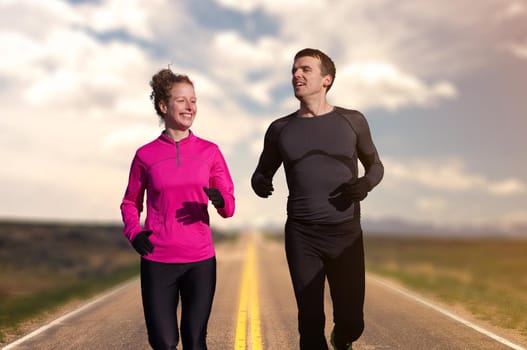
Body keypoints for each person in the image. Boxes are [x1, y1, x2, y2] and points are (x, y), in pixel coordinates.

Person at [251, 48, 383, 350]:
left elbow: (376, 165)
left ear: (327, 79)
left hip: (345, 232)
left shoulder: (353, 121)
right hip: (302, 234)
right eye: (294, 70)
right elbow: (261, 172)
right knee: (310, 323)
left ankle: (343, 338)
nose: (297, 74)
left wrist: (365, 184)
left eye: (305, 69)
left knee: (352, 321)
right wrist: (260, 182)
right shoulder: (280, 129)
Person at [120, 68, 235, 350]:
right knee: (164, 342)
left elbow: (229, 205)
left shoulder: (210, 152)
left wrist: (220, 200)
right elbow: (130, 203)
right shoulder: (145, 155)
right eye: (182, 100)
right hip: (158, 260)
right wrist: (135, 233)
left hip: (200, 260)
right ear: (163, 106)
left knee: (195, 342)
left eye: (193, 100)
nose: (190, 106)